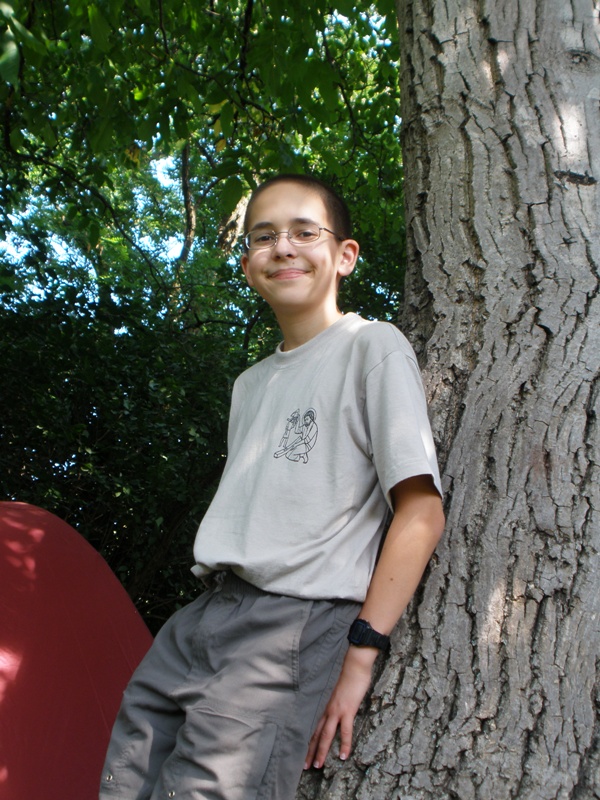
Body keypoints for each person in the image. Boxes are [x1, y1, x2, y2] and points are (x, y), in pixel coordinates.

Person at [99, 174, 445, 800]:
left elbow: (420, 512)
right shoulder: (250, 384)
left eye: (304, 232)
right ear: (247, 264)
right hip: (206, 613)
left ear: (344, 254)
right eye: (264, 236)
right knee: (123, 780)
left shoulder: (372, 346)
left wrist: (360, 653)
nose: (283, 246)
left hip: (291, 621)